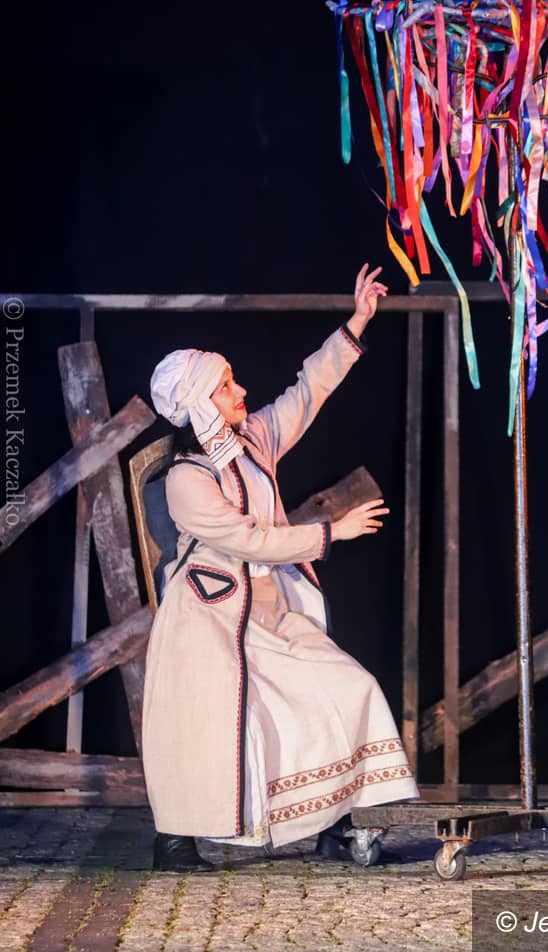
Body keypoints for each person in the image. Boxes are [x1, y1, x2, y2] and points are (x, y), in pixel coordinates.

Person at [144, 264, 418, 870]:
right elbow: (247, 539)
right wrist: (330, 533)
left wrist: (356, 324)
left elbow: (307, 391)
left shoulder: (254, 441)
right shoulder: (185, 480)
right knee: (209, 727)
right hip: (209, 620)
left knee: (345, 688)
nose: (240, 391)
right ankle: (176, 840)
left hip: (270, 611)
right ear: (199, 403)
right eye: (226, 387)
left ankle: (336, 821)